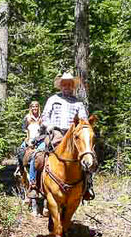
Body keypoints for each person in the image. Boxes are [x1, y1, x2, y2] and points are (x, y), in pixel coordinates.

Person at [30, 72, 94, 200]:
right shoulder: (53, 99)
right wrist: (49, 126)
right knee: (37, 154)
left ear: (73, 86)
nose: (67, 86)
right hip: (55, 132)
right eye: (64, 84)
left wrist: (81, 129)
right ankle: (33, 185)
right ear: (61, 85)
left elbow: (83, 121)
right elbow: (44, 117)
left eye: (69, 84)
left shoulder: (78, 103)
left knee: (89, 156)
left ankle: (88, 186)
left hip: (73, 136)